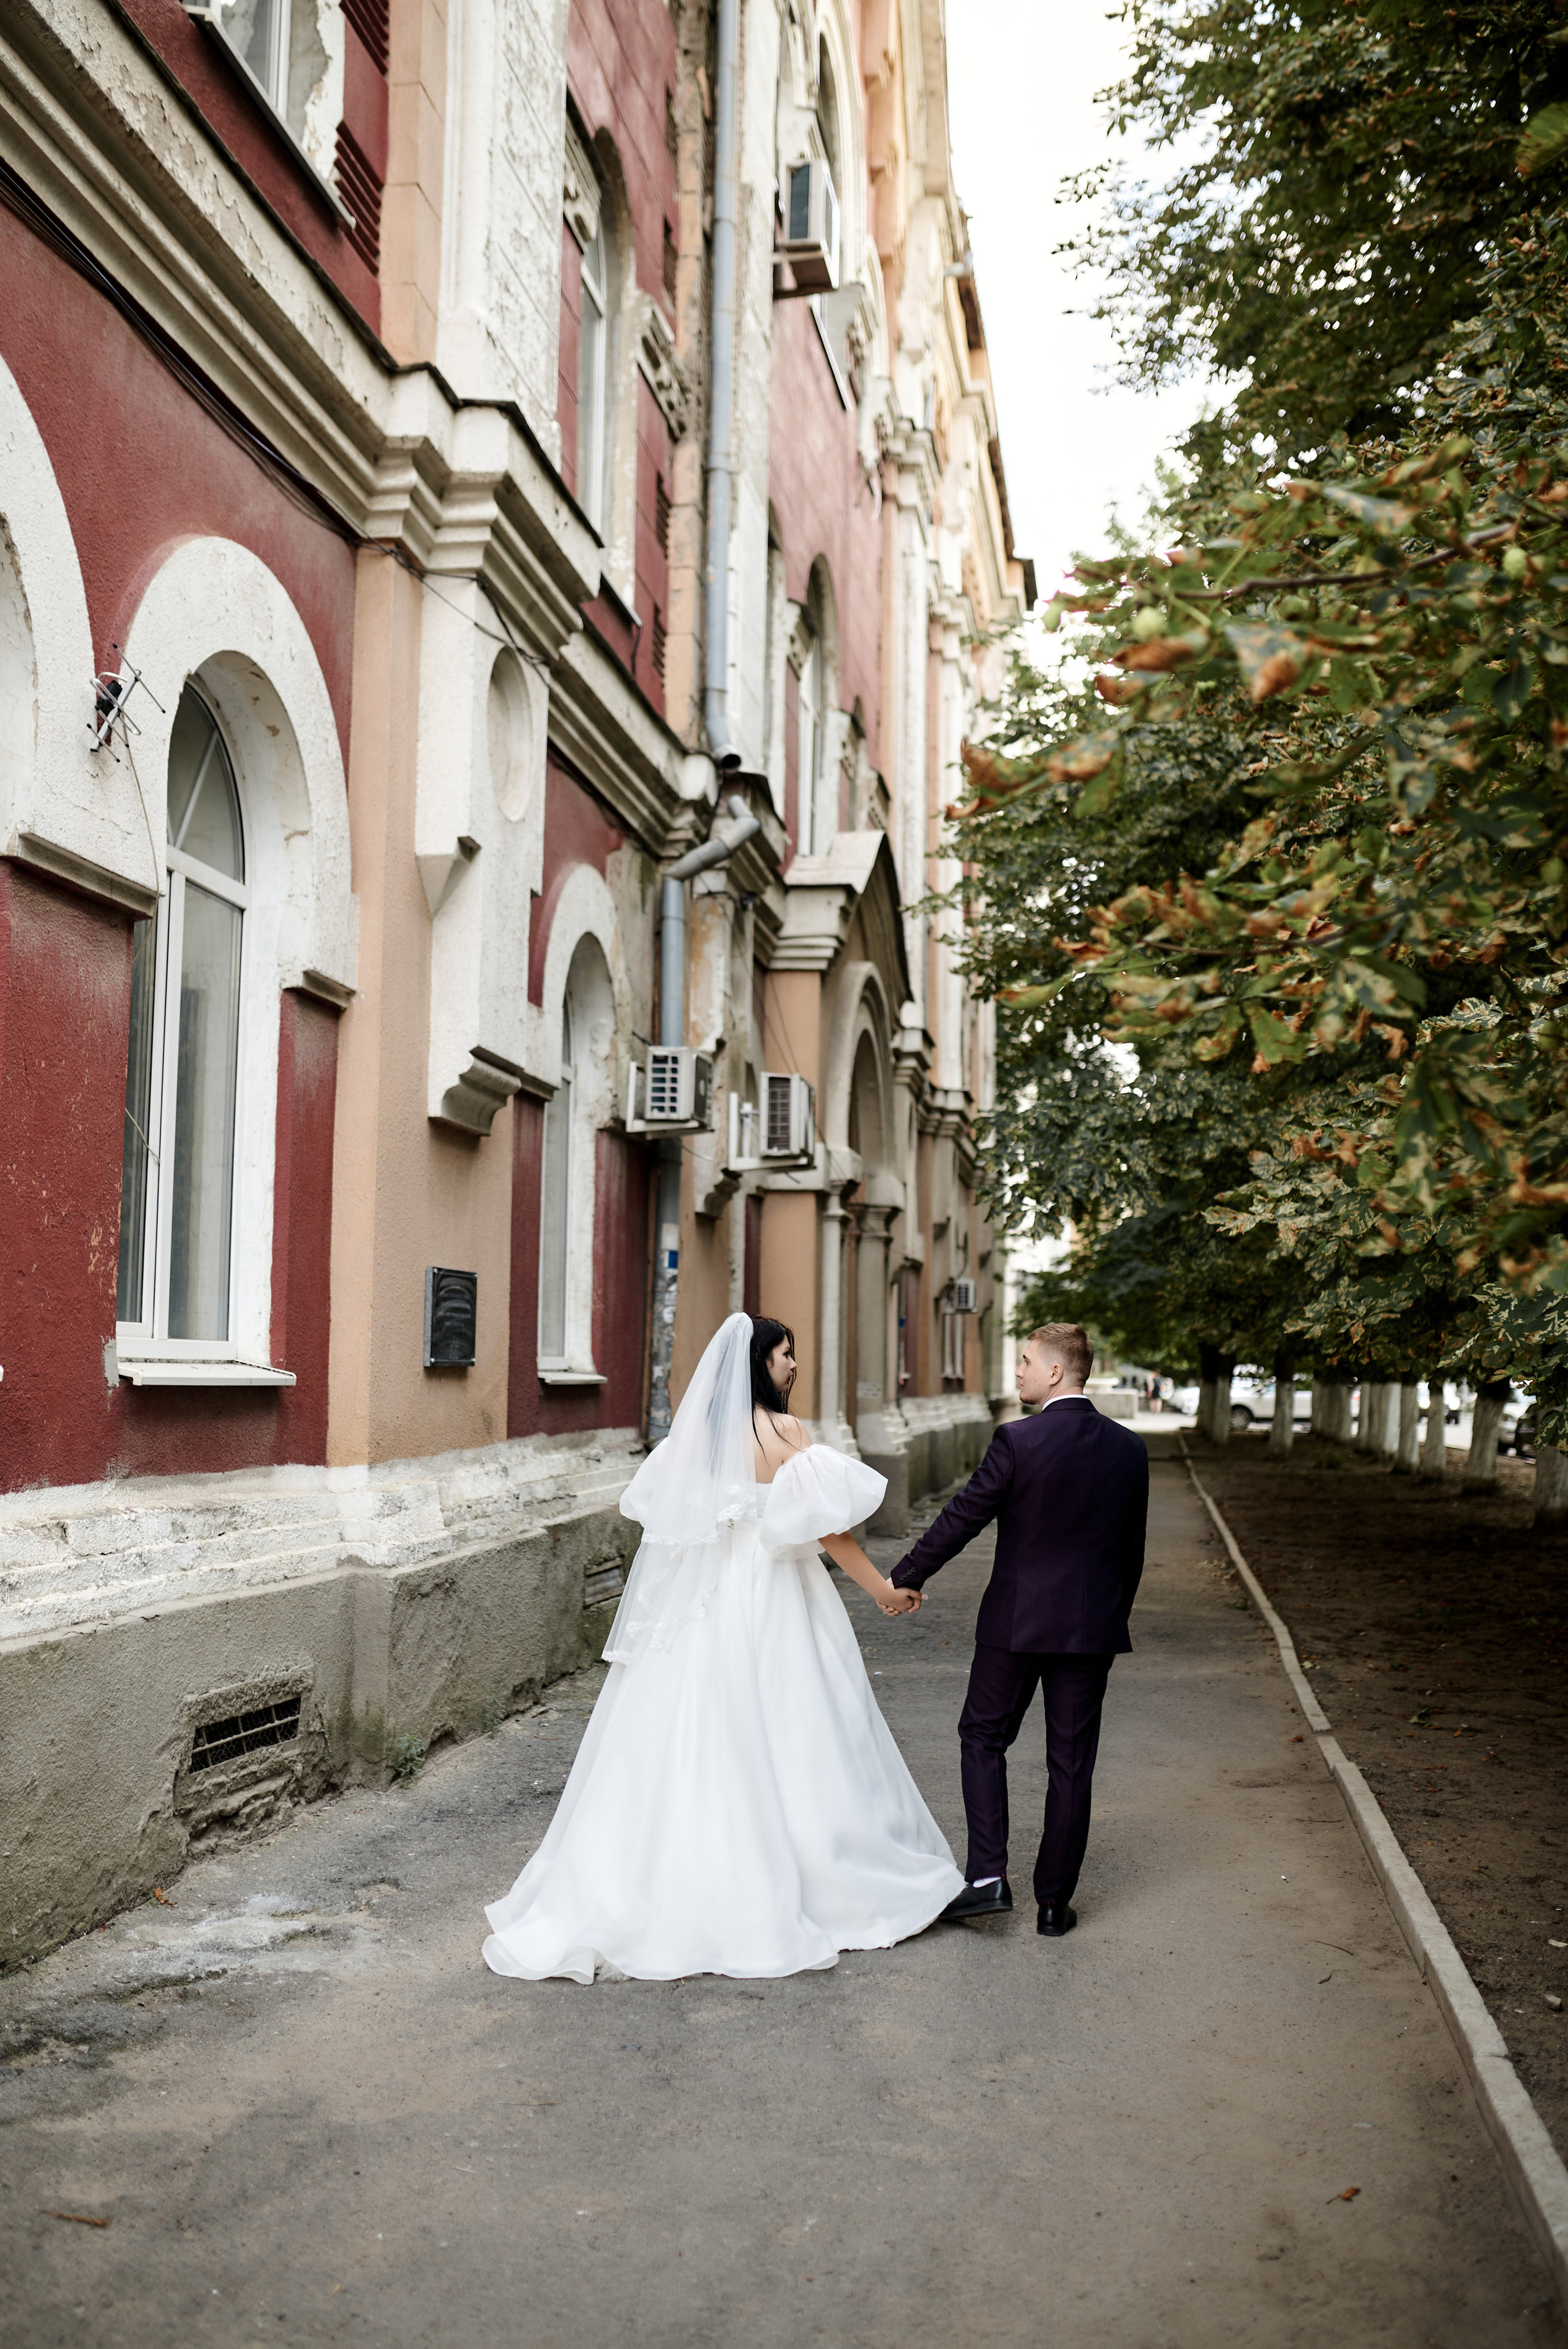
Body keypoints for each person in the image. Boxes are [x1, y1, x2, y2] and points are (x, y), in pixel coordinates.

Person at [481, 1313, 963, 1982]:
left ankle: (653, 1884)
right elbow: (831, 1532)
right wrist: (883, 1589)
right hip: (779, 1598)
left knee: (686, 1733)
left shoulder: (700, 1441)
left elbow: (676, 1528)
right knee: (800, 1730)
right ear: (760, 1363)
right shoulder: (786, 1432)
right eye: (786, 1355)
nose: (794, 1366)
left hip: (708, 1602)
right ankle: (820, 1878)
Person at [889, 1322, 1148, 1940]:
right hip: (1091, 1629)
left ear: (1057, 1372)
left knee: (982, 1737)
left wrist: (907, 1575)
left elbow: (963, 1516)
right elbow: (1129, 1553)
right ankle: (1054, 1907)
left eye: (1027, 1361)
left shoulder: (1018, 1441)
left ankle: (987, 1880)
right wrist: (1110, 1612)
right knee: (1072, 1765)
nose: (1020, 1371)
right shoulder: (1128, 1449)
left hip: (1015, 1623)